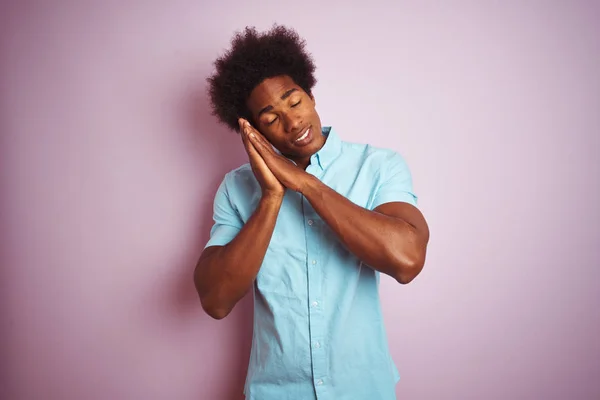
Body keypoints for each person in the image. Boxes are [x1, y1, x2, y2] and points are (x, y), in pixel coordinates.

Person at [194, 24, 430, 400]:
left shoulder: (378, 166)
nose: (292, 121)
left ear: (310, 94)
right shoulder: (237, 189)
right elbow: (216, 300)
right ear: (252, 129)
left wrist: (304, 182)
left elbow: (407, 260)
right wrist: (272, 195)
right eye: (270, 118)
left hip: (363, 389)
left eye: (294, 100)